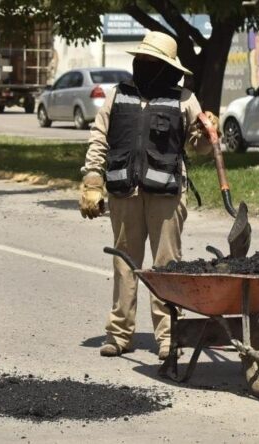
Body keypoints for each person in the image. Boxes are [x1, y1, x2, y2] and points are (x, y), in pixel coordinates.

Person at [79, 32, 219, 360]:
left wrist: (208, 130)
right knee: (124, 263)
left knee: (166, 267)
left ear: (165, 66)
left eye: (150, 61)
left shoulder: (185, 99)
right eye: (140, 60)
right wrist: (93, 178)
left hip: (167, 194)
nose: (143, 65)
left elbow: (199, 148)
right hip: (124, 191)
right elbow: (99, 137)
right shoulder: (118, 95)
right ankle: (119, 334)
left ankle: (169, 336)